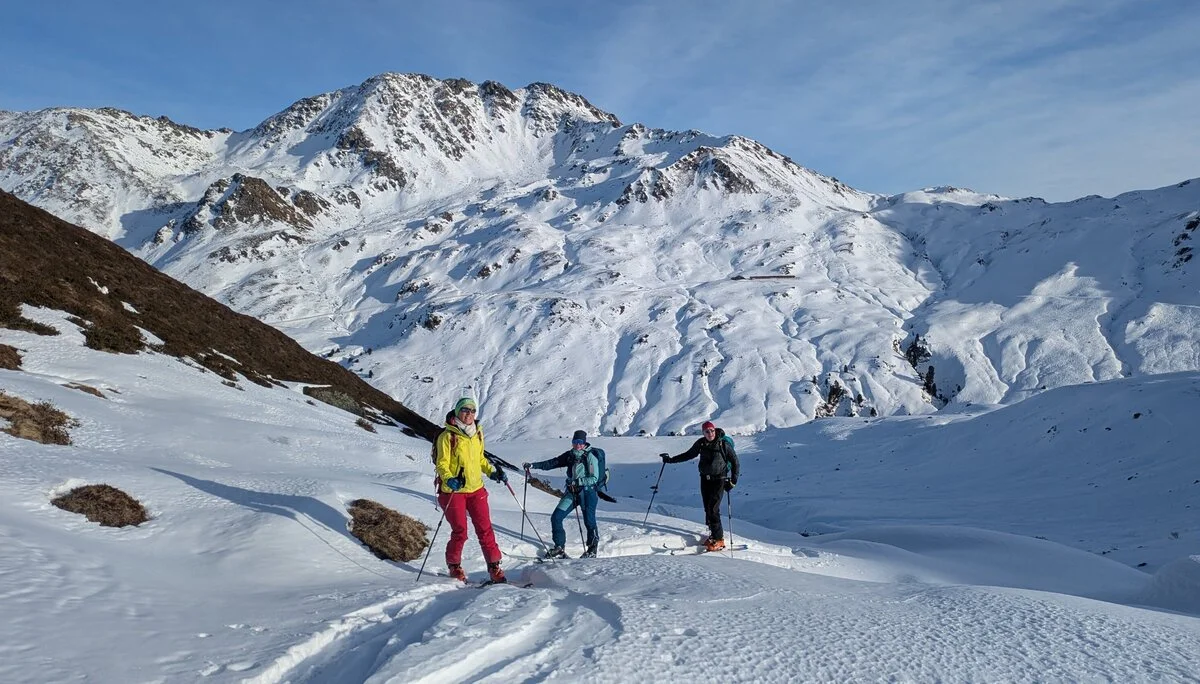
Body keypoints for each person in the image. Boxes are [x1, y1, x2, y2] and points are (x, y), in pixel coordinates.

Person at [434, 396, 508, 583]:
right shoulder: (447, 436)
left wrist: (492, 473)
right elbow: (441, 463)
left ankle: (494, 567)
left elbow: (480, 459)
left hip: (477, 489)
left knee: (485, 529)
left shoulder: (478, 433)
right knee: (460, 531)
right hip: (454, 491)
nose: (469, 414)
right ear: (458, 411)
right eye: (465, 410)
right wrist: (449, 479)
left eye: (472, 410)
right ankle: (454, 566)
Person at [661, 420, 740, 551]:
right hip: (705, 479)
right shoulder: (701, 443)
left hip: (719, 479)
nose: (710, 433)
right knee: (707, 508)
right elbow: (688, 455)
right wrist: (670, 460)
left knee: (713, 509)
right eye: (707, 431)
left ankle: (719, 539)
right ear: (703, 433)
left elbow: (735, 462)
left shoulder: (723, 444)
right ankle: (712, 535)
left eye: (712, 430)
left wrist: (733, 481)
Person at [523, 430, 603, 559]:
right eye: (575, 442)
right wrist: (533, 465)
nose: (577, 445)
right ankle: (559, 547)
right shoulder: (570, 455)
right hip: (572, 492)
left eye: (580, 442)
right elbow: (552, 463)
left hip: (588, 493)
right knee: (556, 517)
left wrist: (578, 481)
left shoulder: (590, 456)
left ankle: (592, 549)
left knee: (589, 521)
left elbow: (594, 478)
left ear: (584, 443)